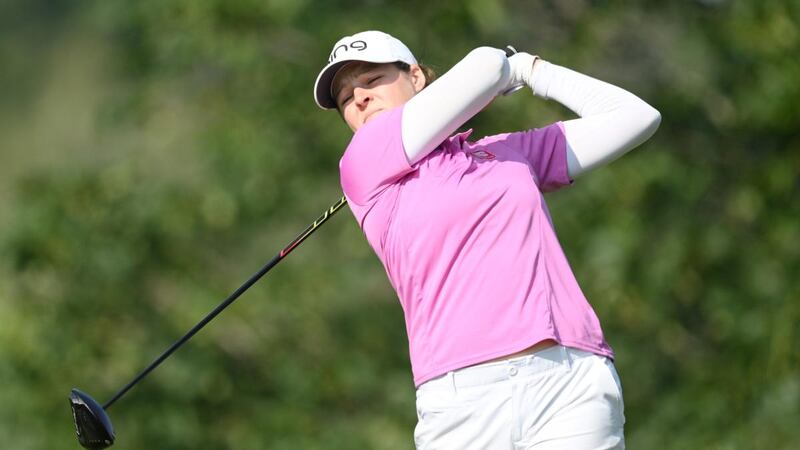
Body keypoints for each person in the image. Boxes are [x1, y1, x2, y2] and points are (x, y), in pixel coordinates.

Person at [313, 30, 660, 450]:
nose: (360, 99)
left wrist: (534, 70)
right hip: (461, 404)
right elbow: (487, 66)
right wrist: (508, 67)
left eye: (371, 80)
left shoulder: (507, 155)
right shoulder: (362, 164)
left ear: (417, 77)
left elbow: (636, 117)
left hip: (567, 382)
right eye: (346, 98)